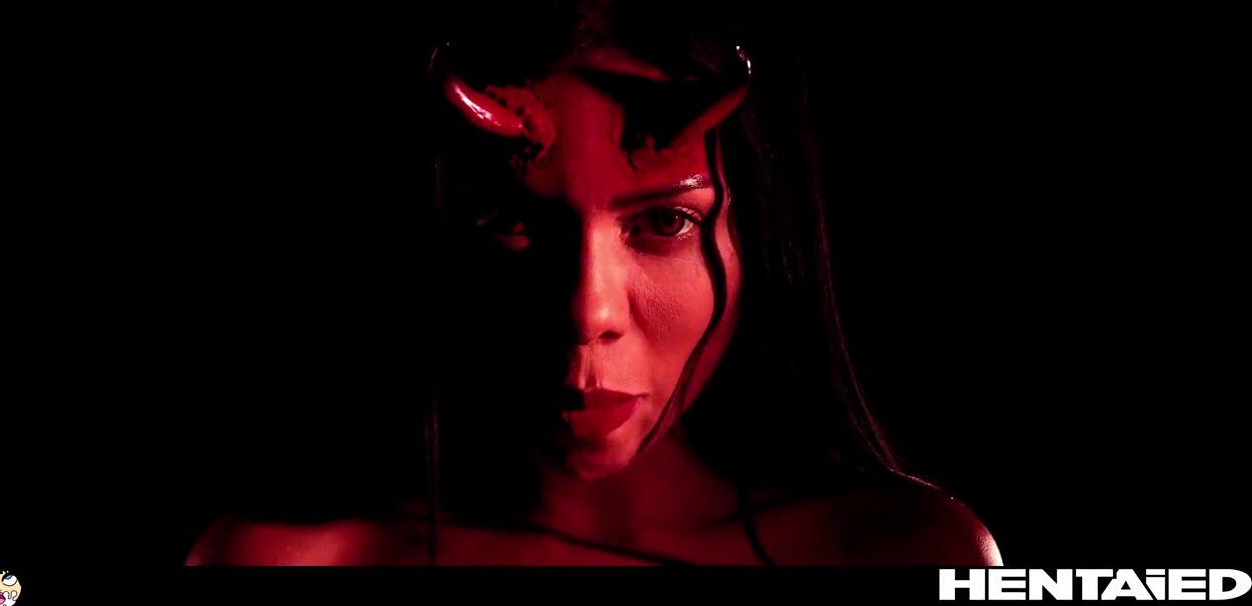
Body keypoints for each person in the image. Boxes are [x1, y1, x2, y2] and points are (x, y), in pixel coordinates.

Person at [188, 1, 1001, 566]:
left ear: (761, 238)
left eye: (665, 223)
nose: (587, 310)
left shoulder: (909, 556)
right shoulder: (284, 558)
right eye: (513, 222)